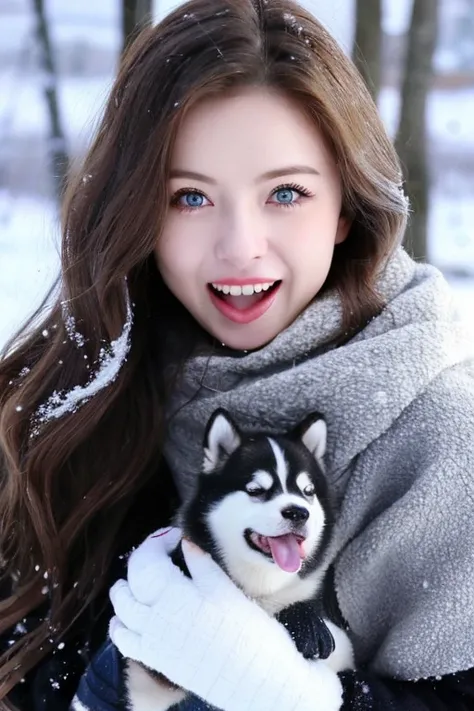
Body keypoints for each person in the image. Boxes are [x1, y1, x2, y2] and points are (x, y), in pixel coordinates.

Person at [1, 0, 474, 708]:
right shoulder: (81, 396)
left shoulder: (444, 443)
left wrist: (295, 697)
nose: (239, 247)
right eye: (189, 198)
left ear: (345, 205)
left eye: (285, 193)